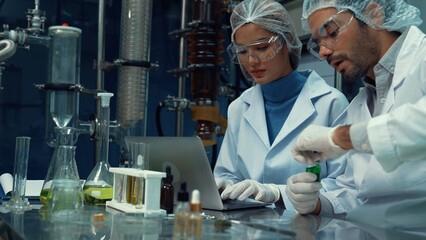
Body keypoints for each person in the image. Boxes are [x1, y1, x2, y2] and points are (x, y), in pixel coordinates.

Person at [286, 0, 426, 228]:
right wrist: (316, 203)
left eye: (330, 31)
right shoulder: (360, 105)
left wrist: (341, 137)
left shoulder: (422, 60)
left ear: (374, 14)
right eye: (318, 44)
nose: (323, 52)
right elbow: (355, 192)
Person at [213, 0, 349, 208]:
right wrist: (225, 185)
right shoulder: (239, 107)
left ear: (286, 42)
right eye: (242, 51)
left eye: (261, 47)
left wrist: (279, 193)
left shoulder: (330, 103)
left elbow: (344, 186)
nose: (251, 61)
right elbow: (229, 173)